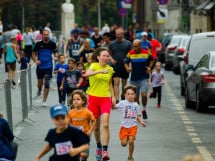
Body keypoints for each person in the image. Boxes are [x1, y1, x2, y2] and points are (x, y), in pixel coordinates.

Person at [85, 47, 116, 161]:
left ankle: (105, 150)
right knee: (96, 128)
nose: (105, 57)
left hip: (105, 99)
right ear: (98, 57)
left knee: (106, 124)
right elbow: (87, 74)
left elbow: (110, 84)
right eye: (103, 55)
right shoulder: (93, 66)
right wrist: (99, 71)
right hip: (93, 98)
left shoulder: (110, 69)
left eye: (107, 56)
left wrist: (113, 96)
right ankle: (98, 146)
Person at [114, 85, 145, 161]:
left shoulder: (136, 105)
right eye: (128, 94)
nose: (130, 96)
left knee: (131, 142)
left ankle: (130, 156)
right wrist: (111, 102)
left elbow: (138, 115)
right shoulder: (122, 103)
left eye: (132, 94)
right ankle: (127, 137)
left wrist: (141, 121)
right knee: (124, 144)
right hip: (124, 127)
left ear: (135, 95)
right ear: (125, 95)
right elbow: (113, 107)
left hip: (133, 126)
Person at [124, 39, 154, 119]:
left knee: (144, 94)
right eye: (133, 46)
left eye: (136, 46)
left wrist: (149, 68)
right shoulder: (130, 53)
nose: (134, 48)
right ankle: (138, 111)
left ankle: (144, 109)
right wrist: (127, 68)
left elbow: (152, 59)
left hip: (144, 78)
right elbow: (125, 62)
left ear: (140, 46)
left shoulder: (146, 52)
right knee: (135, 98)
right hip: (134, 78)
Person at [68, 90, 96, 161]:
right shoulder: (70, 113)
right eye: (74, 99)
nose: (76, 101)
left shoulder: (87, 112)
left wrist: (90, 130)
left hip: (85, 136)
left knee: (85, 156)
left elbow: (94, 121)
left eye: (78, 99)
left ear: (83, 101)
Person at [32, 29, 58, 107]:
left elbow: (55, 52)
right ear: (42, 35)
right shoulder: (38, 44)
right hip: (40, 66)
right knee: (40, 83)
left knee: (47, 83)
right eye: (45, 34)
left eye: (47, 34)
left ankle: (44, 100)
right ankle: (39, 89)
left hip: (48, 66)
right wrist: (36, 60)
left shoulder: (52, 44)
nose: (46, 36)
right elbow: (33, 54)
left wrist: (56, 56)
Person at [109, 28, 132, 102]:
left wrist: (130, 65)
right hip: (115, 65)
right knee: (116, 82)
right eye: (116, 34)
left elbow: (131, 54)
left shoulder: (128, 43)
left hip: (124, 65)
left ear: (122, 34)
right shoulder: (112, 43)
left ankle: (123, 94)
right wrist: (111, 59)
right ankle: (117, 98)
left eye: (119, 34)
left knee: (124, 83)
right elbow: (108, 53)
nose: (118, 35)